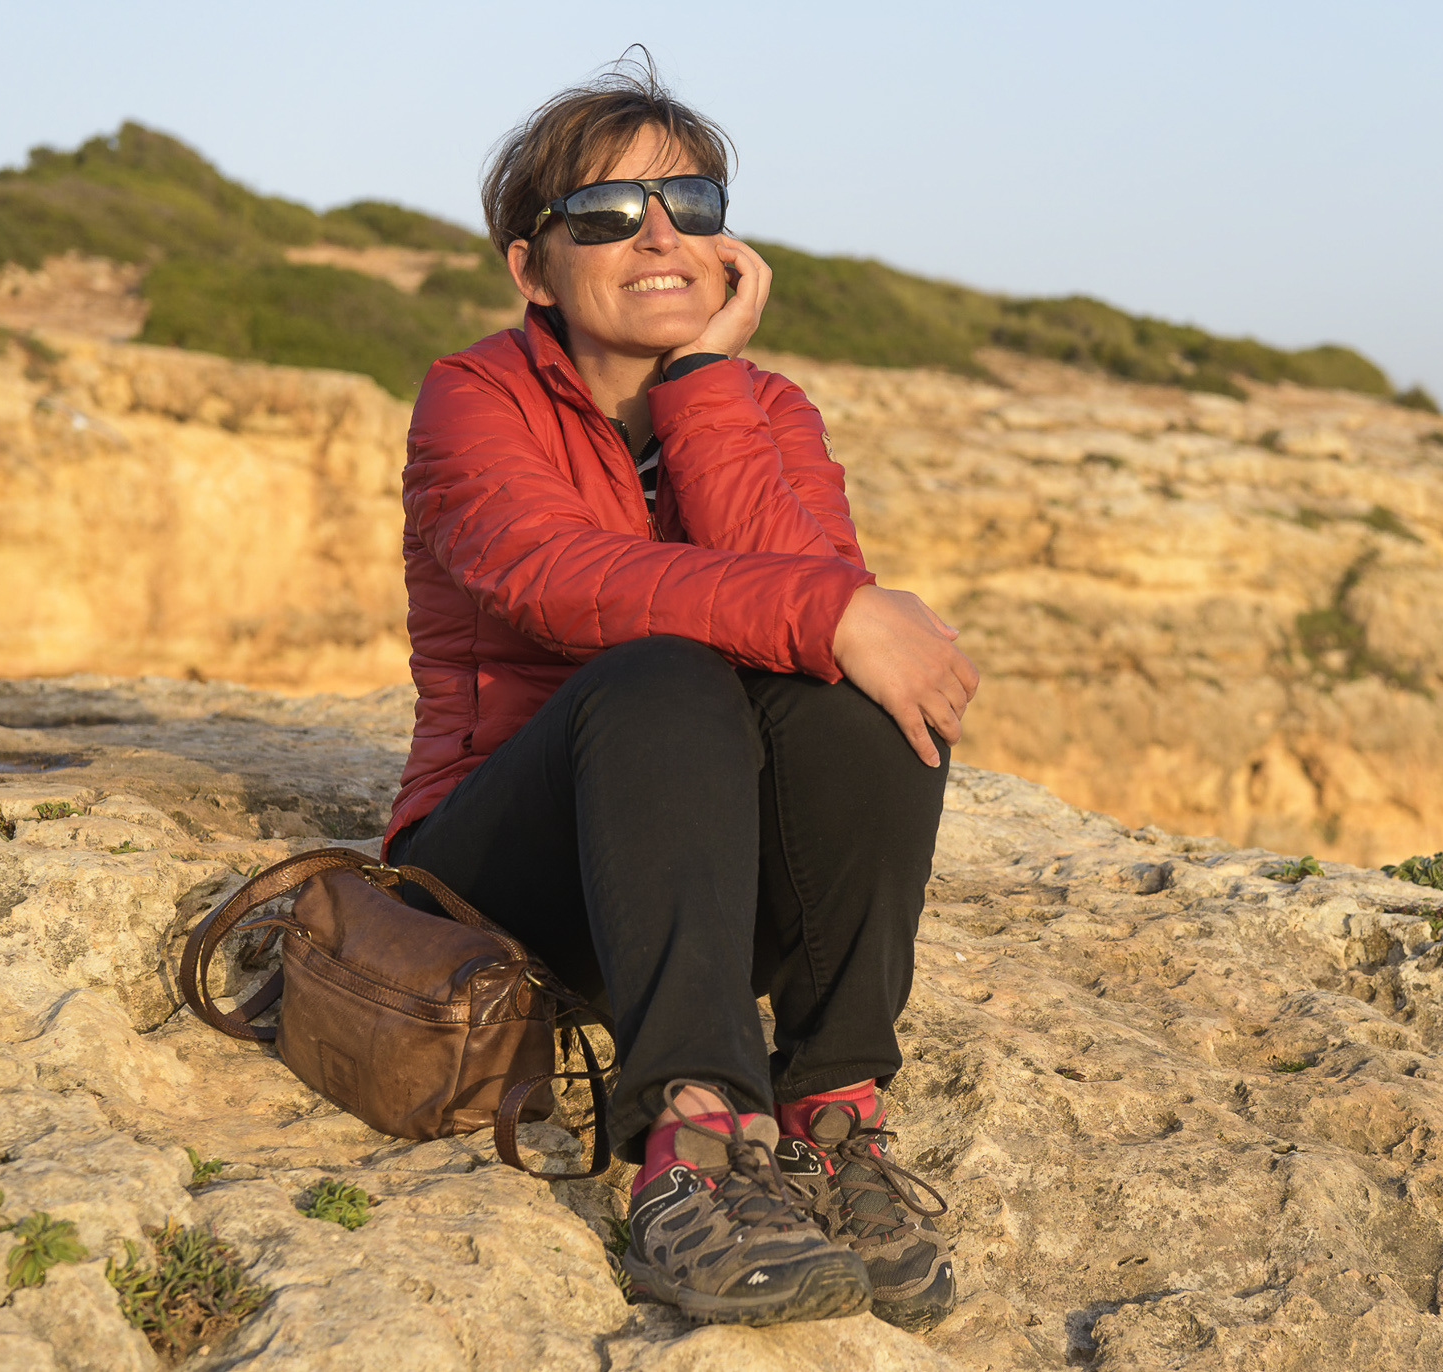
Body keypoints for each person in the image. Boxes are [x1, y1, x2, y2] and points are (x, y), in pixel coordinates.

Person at [381, 66, 978, 1330]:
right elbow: (555, 583)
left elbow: (809, 602)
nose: (657, 235)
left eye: (688, 203)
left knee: (853, 695)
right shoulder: (474, 396)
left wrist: (707, 384)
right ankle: (693, 1153)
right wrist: (836, 611)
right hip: (514, 876)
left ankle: (832, 1119)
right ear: (534, 267)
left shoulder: (767, 407)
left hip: (696, 883)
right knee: (665, 670)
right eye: (605, 213)